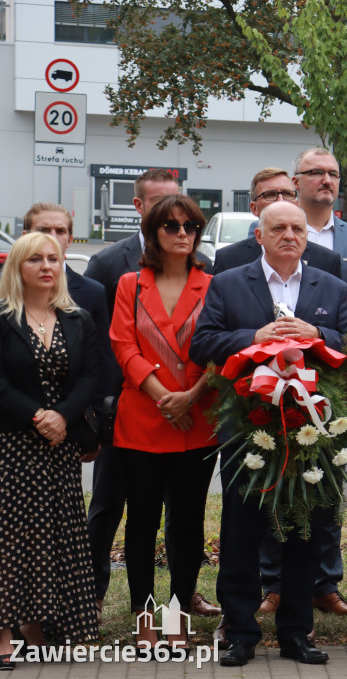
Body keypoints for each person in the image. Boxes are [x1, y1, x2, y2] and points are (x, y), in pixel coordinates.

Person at [190, 200, 347, 667]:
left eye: (297, 228)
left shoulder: (333, 286)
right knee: (242, 530)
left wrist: (315, 332)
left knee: (304, 534)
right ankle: (240, 632)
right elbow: (202, 343)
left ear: (308, 236)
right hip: (249, 426)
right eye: (278, 227)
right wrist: (253, 338)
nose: (289, 234)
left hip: (310, 429)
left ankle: (296, 633)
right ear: (259, 236)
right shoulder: (227, 283)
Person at [83, 169, 219, 618]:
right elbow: (123, 345)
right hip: (142, 419)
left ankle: (177, 613)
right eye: (172, 226)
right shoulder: (129, 284)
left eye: (191, 226)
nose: (183, 234)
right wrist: (167, 397)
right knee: (141, 523)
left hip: (197, 421)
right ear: (152, 233)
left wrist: (192, 397)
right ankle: (144, 615)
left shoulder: (212, 285)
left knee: (187, 524)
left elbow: (221, 352)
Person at [0, 233, 99, 667]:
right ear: (17, 267)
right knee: (9, 538)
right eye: (35, 259)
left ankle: (36, 623)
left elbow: (90, 378)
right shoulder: (3, 317)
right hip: (11, 444)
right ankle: (3, 630)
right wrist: (37, 416)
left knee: (53, 535)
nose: (46, 266)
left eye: (53, 259)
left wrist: (62, 416)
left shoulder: (77, 319)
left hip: (59, 448)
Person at [21, 203, 113, 465]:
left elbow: (100, 365)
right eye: (43, 229)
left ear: (70, 240)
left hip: (68, 427)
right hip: (13, 425)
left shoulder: (92, 293)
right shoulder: (6, 298)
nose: (52, 236)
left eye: (60, 230)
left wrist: (92, 424)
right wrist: (36, 415)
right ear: (26, 236)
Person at [211, 167, 343, 280]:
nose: (281, 200)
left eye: (287, 194)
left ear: (297, 203)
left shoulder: (326, 261)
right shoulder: (229, 259)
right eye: (270, 194)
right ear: (254, 208)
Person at [292, 148, 347, 284]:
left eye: (333, 174)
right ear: (296, 182)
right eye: (317, 172)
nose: (327, 181)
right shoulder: (275, 233)